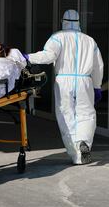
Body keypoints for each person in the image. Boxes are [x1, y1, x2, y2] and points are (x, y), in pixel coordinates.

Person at [24, 10, 103, 165]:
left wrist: (27, 57)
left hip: (64, 81)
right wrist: (97, 86)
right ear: (79, 21)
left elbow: (48, 56)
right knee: (86, 114)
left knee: (66, 116)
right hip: (84, 81)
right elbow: (98, 66)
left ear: (63, 21)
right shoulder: (89, 40)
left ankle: (76, 154)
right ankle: (84, 142)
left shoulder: (57, 37)